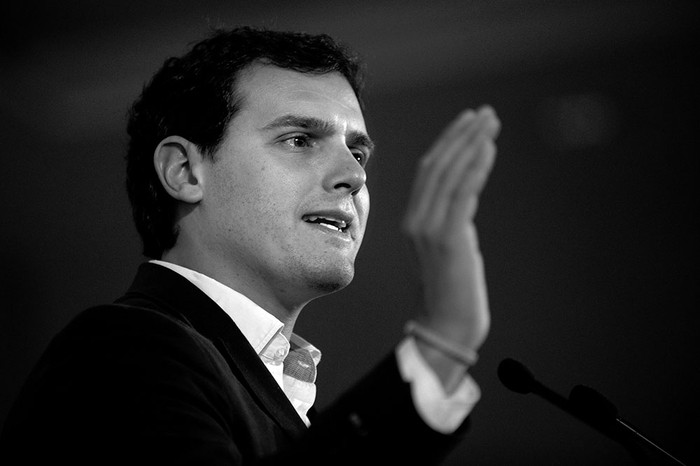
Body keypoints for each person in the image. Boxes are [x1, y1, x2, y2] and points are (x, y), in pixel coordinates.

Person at [0, 26, 500, 464]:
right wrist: (441, 343)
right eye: (299, 139)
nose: (353, 175)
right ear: (184, 171)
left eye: (358, 153)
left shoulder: (272, 397)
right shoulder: (116, 354)